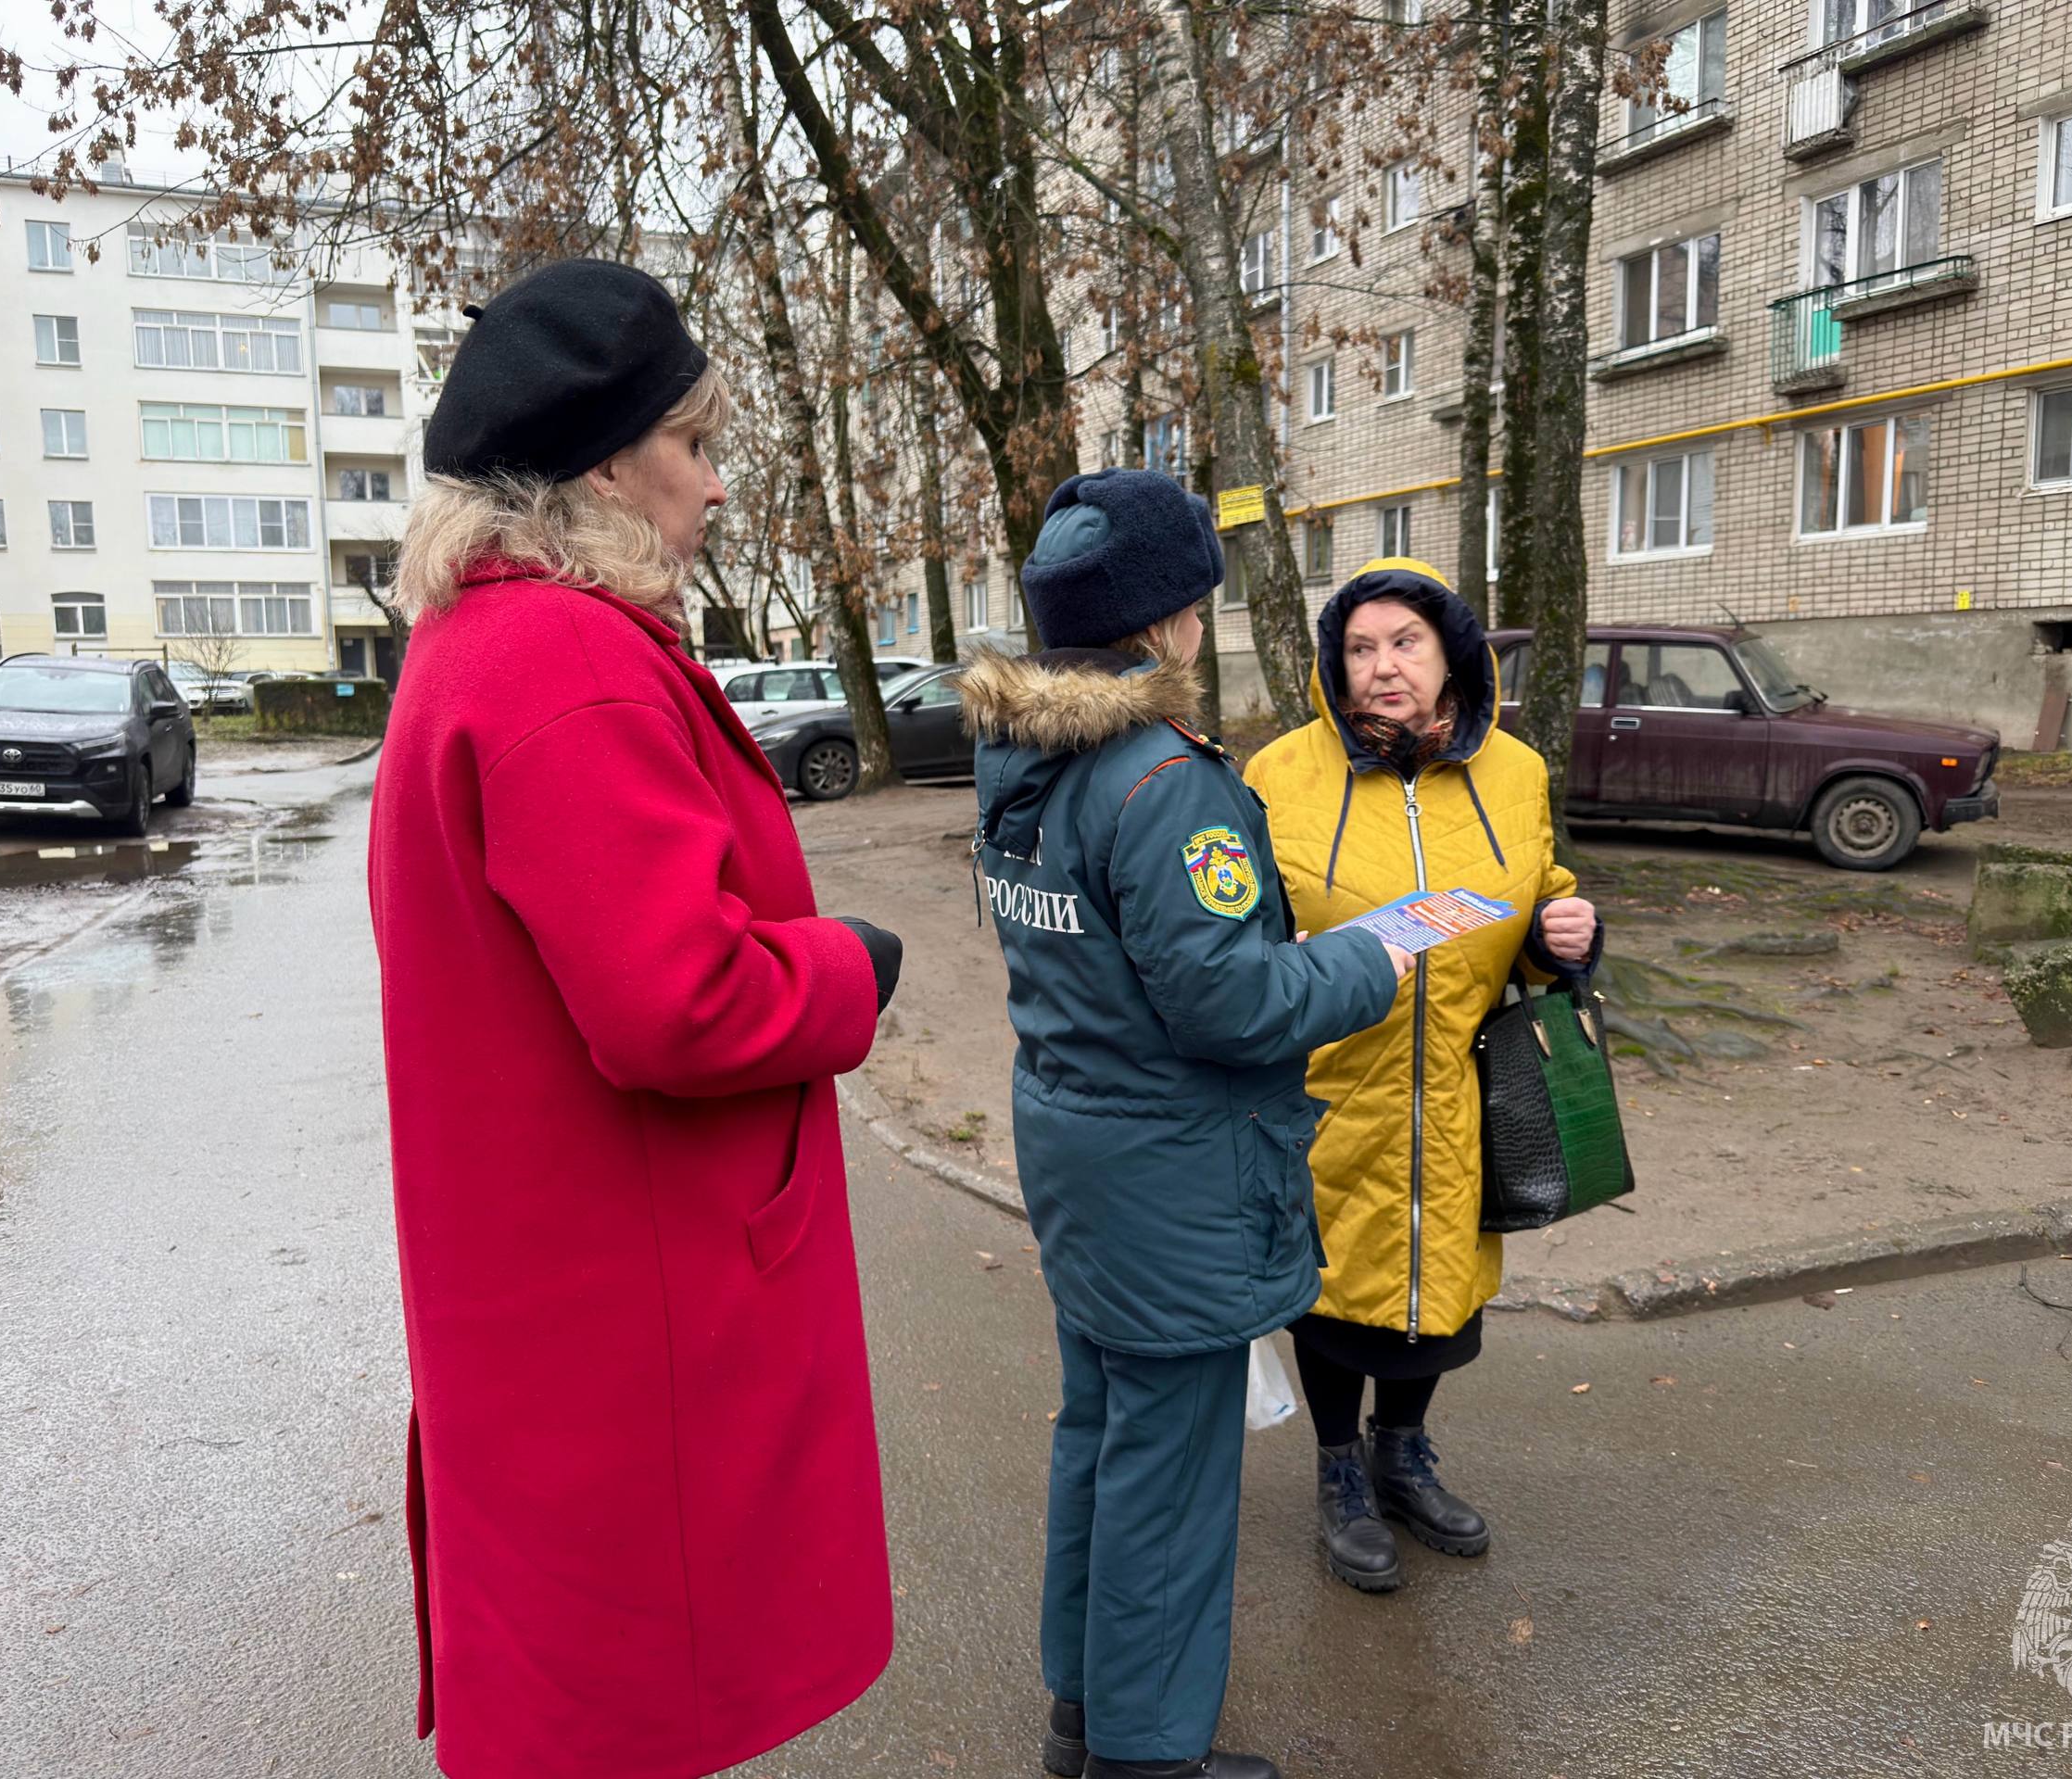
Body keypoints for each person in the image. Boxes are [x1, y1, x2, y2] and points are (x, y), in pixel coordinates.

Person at [367, 259, 905, 1779]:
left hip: (566, 1292)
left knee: (587, 1706)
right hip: (629, 1310)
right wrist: (847, 972)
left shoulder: (488, 647)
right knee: (625, 1710)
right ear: (607, 462)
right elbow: (677, 1006)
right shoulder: (564, 658)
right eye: (695, 442)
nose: (717, 483)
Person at [957, 470, 1413, 1779]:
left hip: (1082, 1144)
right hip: (1175, 1168)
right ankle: (1148, 1759)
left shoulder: (1022, 751)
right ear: (1167, 617)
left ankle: (1087, 1713)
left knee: (1099, 1433)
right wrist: (1371, 959)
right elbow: (1228, 1003)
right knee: (1168, 1472)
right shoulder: (1163, 779)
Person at [1244, 557, 1601, 1594]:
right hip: (1325, 1090)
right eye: (1360, 648)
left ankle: (1402, 1456)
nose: (1383, 666)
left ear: (1452, 654)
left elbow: (1537, 907)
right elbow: (1241, 937)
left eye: (1405, 642)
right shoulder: (1278, 776)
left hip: (1459, 1090)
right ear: (1332, 665)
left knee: (1436, 1293)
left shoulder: (1515, 773)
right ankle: (1338, 1470)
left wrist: (1563, 937)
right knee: (1330, 1295)